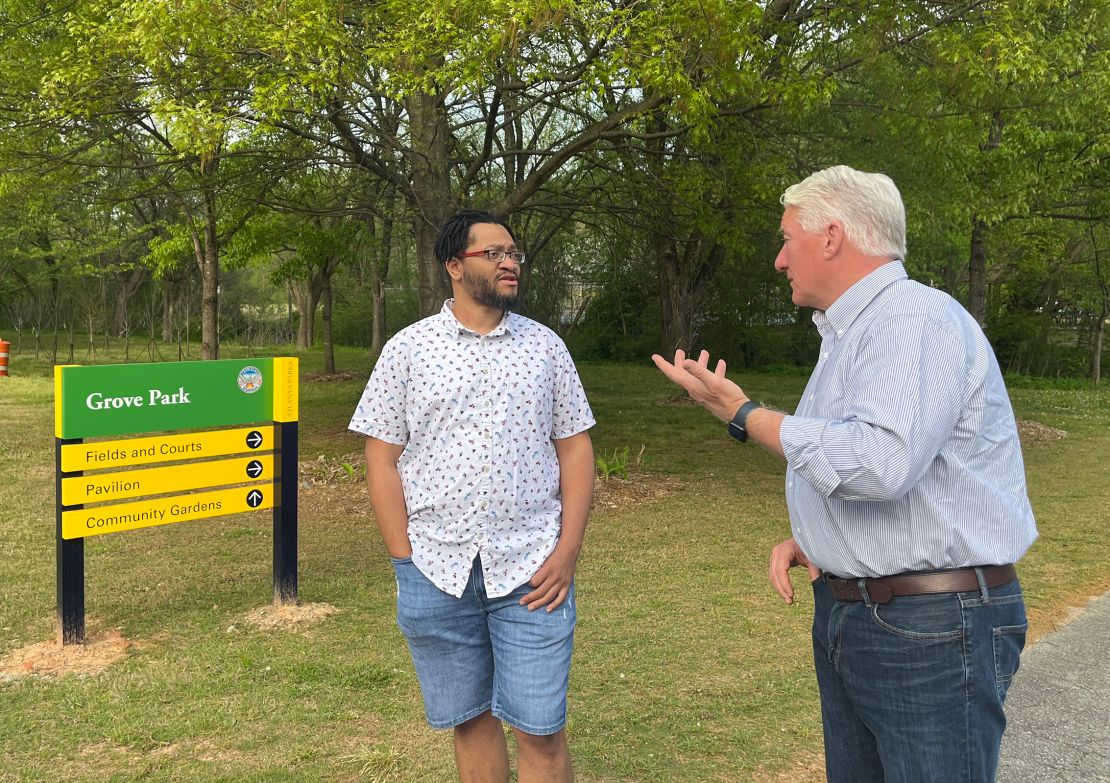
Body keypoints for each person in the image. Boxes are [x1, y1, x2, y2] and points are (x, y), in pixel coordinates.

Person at [653, 165, 1038, 783]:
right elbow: (890, 469)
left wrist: (743, 413)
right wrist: (821, 540)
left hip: (929, 629)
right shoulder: (854, 334)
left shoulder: (912, 319)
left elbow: (879, 461)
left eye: (787, 239)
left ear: (831, 237)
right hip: (866, 615)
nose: (780, 260)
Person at [349, 209, 595, 783]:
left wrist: (568, 552)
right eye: (495, 254)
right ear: (455, 267)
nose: (510, 262)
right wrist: (404, 562)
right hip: (436, 569)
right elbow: (381, 456)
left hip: (533, 571)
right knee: (470, 720)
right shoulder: (407, 350)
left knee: (540, 728)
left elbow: (575, 449)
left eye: (515, 253)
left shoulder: (546, 349)